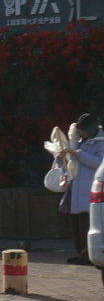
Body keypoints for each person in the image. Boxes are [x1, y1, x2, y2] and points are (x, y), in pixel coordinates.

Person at [58, 113, 104, 264]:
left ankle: (87, 254)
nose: (81, 134)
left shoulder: (100, 143)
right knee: (77, 223)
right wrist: (63, 157)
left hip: (90, 189)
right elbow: (71, 163)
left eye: (83, 131)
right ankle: (80, 252)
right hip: (77, 188)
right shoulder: (80, 142)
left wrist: (78, 154)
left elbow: (99, 163)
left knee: (87, 223)